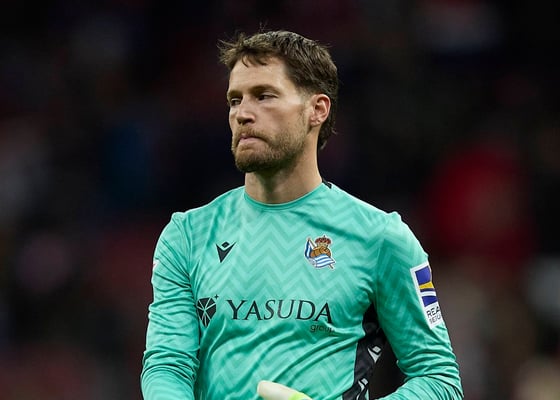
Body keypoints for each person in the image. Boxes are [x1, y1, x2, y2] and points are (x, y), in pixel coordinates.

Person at [141, 30, 463, 400]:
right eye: (234, 100)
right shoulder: (188, 235)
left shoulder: (380, 238)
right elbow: (167, 365)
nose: (242, 113)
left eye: (264, 95)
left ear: (317, 110)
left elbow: (439, 378)